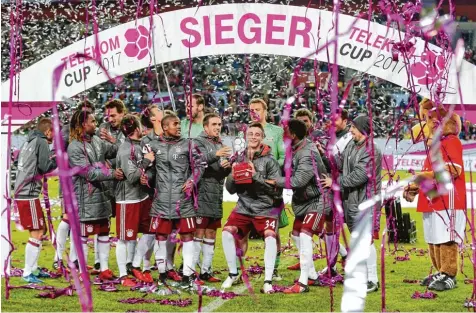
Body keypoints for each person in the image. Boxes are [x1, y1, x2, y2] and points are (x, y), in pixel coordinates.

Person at [404, 104, 465, 291]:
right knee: (434, 237)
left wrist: (425, 176)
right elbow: (429, 176)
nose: (430, 124)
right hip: (434, 199)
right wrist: (414, 187)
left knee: (447, 236)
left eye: (434, 119)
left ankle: (449, 273)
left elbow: (454, 169)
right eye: (428, 119)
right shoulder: (434, 148)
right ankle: (440, 270)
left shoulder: (452, 141)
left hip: (449, 199)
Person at [321, 114, 382, 293]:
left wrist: (335, 183)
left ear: (363, 129)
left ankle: (373, 280)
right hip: (353, 201)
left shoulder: (371, 150)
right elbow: (341, 165)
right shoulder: (352, 145)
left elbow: (359, 176)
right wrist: (324, 155)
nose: (350, 130)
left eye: (353, 128)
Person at [143, 113, 205, 289]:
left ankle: (187, 275)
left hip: (183, 201)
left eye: (179, 124)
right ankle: (162, 274)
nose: (179, 126)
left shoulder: (188, 144)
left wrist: (192, 180)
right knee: (160, 237)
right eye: (175, 124)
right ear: (165, 127)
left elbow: (200, 166)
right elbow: (148, 169)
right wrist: (146, 175)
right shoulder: (154, 145)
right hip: (161, 201)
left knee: (187, 236)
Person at [266, 119, 328, 293]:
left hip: (317, 200)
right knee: (296, 235)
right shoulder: (297, 148)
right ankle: (313, 275)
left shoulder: (307, 152)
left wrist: (275, 181)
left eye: (286, 131)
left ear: (293, 135)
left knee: (306, 236)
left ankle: (303, 283)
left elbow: (299, 181)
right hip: (304, 202)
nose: (283, 134)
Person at [221, 122, 282, 294]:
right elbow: (230, 190)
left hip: (266, 208)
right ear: (246, 136)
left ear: (262, 137)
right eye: (251, 134)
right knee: (227, 232)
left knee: (270, 237)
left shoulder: (271, 161)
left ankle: (268, 280)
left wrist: (255, 176)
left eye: (257, 134)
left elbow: (277, 191)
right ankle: (233, 274)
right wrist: (232, 176)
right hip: (244, 206)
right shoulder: (239, 158)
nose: (253, 137)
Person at [68, 110, 121, 281]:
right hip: (86, 198)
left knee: (104, 232)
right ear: (83, 124)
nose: (96, 123)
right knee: (85, 235)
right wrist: (113, 173)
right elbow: (88, 173)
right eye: (92, 121)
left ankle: (104, 269)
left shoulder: (97, 140)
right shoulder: (75, 147)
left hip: (103, 195)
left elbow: (115, 151)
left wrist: (117, 142)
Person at [137, 106, 181, 282]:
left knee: (172, 232)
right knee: (151, 232)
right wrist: (146, 177)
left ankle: (168, 265)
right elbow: (145, 166)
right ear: (154, 119)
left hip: (173, 194)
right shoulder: (147, 141)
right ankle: (144, 267)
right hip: (153, 192)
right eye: (159, 111)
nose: (164, 112)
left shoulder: (175, 138)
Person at [14, 118, 57, 283]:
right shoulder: (41, 141)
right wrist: (58, 159)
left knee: (41, 230)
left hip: (24, 191)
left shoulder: (28, 141)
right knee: (37, 232)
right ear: (48, 131)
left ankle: (33, 269)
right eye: (54, 132)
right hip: (28, 193)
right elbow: (45, 167)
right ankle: (27, 272)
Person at [54, 100, 95, 271]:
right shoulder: (65, 132)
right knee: (67, 218)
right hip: (70, 183)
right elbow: (57, 155)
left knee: (78, 222)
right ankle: (58, 258)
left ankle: (73, 260)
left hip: (84, 184)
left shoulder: (91, 135)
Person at [115, 114, 155, 286]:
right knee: (125, 238)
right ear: (137, 129)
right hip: (127, 200)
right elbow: (131, 177)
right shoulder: (125, 150)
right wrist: (146, 162)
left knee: (150, 231)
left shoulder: (142, 145)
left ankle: (136, 264)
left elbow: (150, 170)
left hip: (143, 196)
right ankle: (123, 276)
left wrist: (147, 176)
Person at [192, 113, 232, 282]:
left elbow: (220, 171)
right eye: (214, 124)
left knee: (211, 233)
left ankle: (206, 271)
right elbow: (196, 162)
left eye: (219, 124)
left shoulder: (221, 143)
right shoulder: (197, 142)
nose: (217, 127)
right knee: (198, 233)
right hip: (201, 194)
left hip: (216, 195)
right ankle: (191, 271)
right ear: (205, 127)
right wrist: (215, 155)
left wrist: (227, 167)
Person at [249, 98, 285, 280]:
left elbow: (284, 157)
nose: (253, 112)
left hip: (271, 188)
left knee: (273, 230)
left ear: (265, 111)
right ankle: (237, 271)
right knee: (243, 229)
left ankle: (275, 268)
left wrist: (265, 169)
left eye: (257, 109)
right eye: (251, 109)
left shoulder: (277, 131)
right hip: (250, 189)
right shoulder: (246, 132)